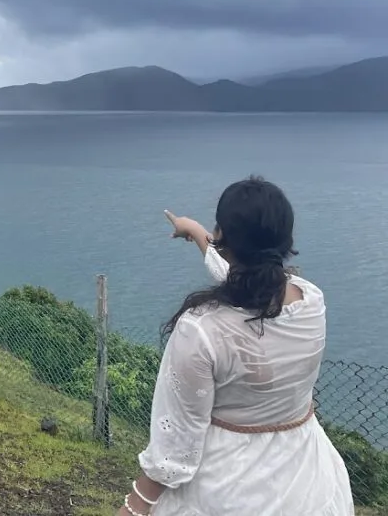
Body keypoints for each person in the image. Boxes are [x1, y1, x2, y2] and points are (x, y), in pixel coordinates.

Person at [116, 176, 354, 516]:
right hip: (308, 479)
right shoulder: (310, 301)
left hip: (226, 489)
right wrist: (198, 234)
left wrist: (135, 506)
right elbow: (246, 279)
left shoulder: (201, 330)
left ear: (223, 235)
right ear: (284, 240)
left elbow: (177, 445)